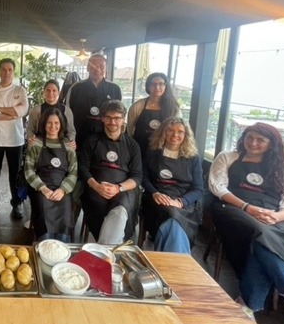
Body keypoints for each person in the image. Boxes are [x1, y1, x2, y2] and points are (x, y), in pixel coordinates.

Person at [209, 122, 284, 324]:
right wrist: (248, 208)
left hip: (272, 217)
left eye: (260, 140)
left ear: (271, 144)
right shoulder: (228, 157)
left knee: (263, 241)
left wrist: (277, 216)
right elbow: (218, 188)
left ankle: (247, 304)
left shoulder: (282, 167)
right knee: (261, 233)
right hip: (234, 210)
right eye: (250, 137)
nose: (253, 143)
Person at [78, 100, 142, 244]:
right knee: (98, 205)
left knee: (121, 209)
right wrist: (96, 186)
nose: (113, 122)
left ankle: (102, 247)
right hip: (95, 187)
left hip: (123, 190)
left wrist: (118, 188)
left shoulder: (133, 145)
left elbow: (137, 176)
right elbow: (82, 167)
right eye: (108, 117)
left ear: (123, 119)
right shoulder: (91, 140)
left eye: (117, 118)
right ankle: (109, 248)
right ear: (102, 118)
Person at [141, 117, 203, 253]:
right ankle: (178, 259)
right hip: (156, 200)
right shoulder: (152, 151)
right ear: (164, 132)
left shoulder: (193, 158)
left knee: (173, 216)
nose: (175, 134)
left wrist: (181, 202)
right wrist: (154, 193)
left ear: (186, 135)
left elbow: (198, 189)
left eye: (180, 131)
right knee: (172, 216)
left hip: (184, 204)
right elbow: (144, 177)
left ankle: (167, 256)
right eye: (170, 130)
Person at [0, 58, 29, 219]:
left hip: (15, 139)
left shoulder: (20, 90)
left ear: (13, 72)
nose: (6, 72)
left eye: (10, 69)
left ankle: (17, 202)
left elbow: (22, 110)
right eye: (3, 69)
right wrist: (12, 113)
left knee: (15, 173)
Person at [24, 108, 77, 241]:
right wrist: (43, 188)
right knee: (43, 216)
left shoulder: (68, 145)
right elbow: (29, 170)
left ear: (61, 124)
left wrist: (62, 190)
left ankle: (62, 247)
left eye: (56, 123)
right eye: (49, 123)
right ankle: (45, 246)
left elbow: (73, 172)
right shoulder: (35, 143)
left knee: (65, 218)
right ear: (44, 123)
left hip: (62, 190)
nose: (53, 126)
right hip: (41, 188)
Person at [66, 54, 122, 147]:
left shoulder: (114, 89)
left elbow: (120, 116)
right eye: (93, 66)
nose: (97, 69)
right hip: (80, 138)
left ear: (106, 68)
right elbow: (67, 113)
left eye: (101, 66)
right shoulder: (76, 88)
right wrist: (70, 137)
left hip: (106, 139)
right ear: (87, 68)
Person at [127, 72, 181, 156]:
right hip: (140, 149)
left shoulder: (174, 109)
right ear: (148, 86)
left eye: (161, 84)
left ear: (166, 86)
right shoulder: (138, 106)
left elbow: (177, 130)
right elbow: (130, 129)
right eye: (153, 84)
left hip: (163, 151)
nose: (157, 87)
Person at [26, 79, 76, 145]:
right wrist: (31, 139)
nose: (51, 93)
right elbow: (30, 129)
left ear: (59, 92)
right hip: (40, 146)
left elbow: (71, 131)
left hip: (62, 146)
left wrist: (70, 142)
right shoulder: (35, 111)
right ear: (44, 92)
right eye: (48, 90)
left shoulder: (66, 110)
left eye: (54, 90)